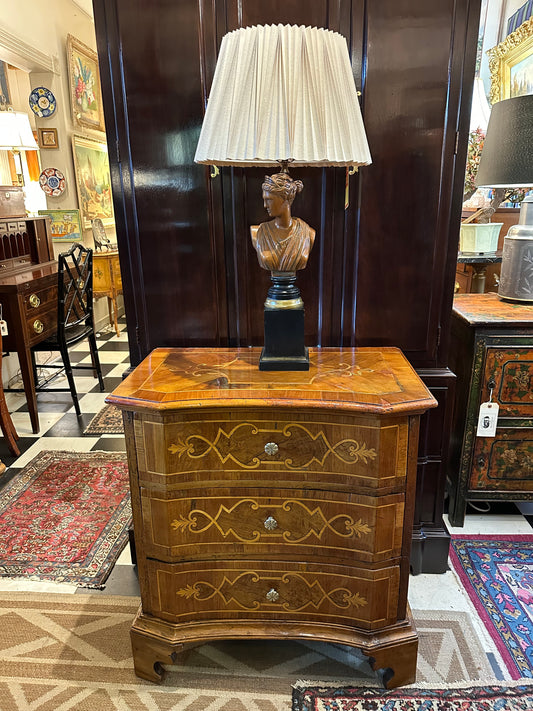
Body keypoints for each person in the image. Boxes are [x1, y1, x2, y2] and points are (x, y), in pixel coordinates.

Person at [250, 172, 315, 272]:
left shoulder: (308, 233)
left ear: (285, 198)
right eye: (264, 200)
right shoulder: (258, 232)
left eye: (269, 200)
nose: (265, 205)